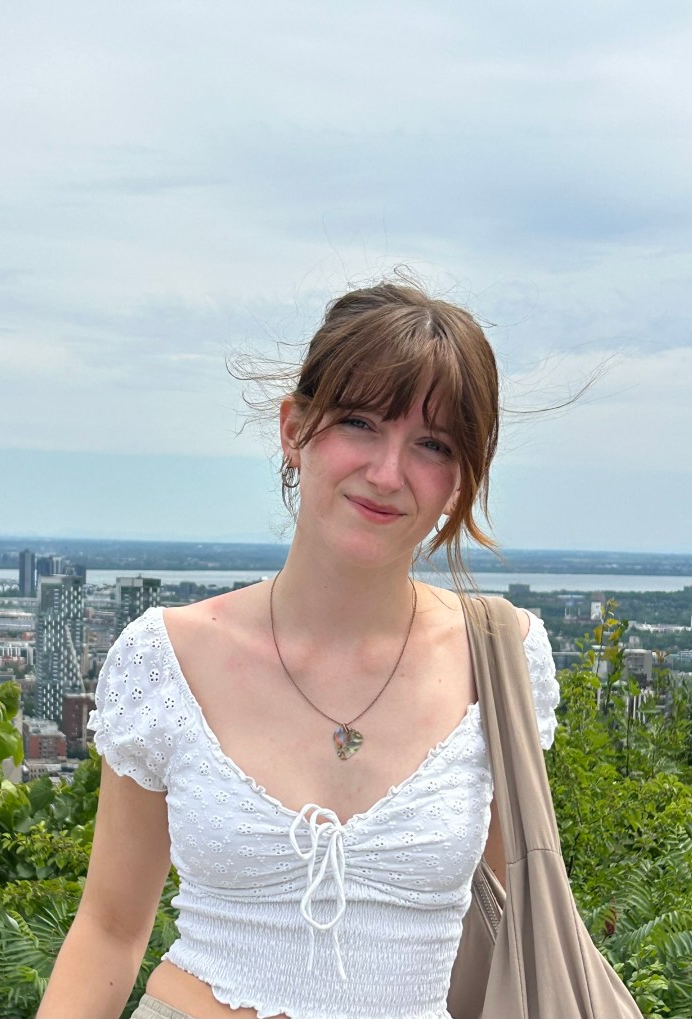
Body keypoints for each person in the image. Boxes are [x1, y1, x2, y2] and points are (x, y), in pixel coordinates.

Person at [37, 280, 559, 1019]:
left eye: (432, 444)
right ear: (294, 429)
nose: (387, 471)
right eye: (359, 422)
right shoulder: (168, 658)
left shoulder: (502, 663)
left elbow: (523, 926)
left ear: (460, 478)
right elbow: (110, 928)